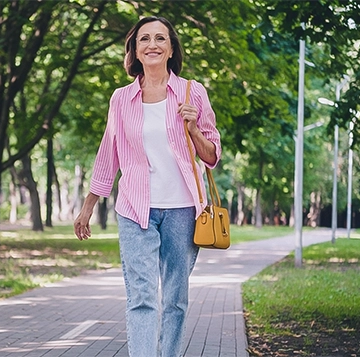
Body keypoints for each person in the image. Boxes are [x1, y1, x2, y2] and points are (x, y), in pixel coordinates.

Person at [73, 16, 221, 357]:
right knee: (140, 296)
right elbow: (108, 153)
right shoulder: (121, 99)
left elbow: (212, 156)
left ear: (171, 49)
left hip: (183, 209)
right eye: (144, 39)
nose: (152, 44)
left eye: (160, 39)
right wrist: (88, 206)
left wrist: (194, 128)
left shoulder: (191, 91)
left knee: (175, 298)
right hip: (135, 209)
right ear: (135, 51)